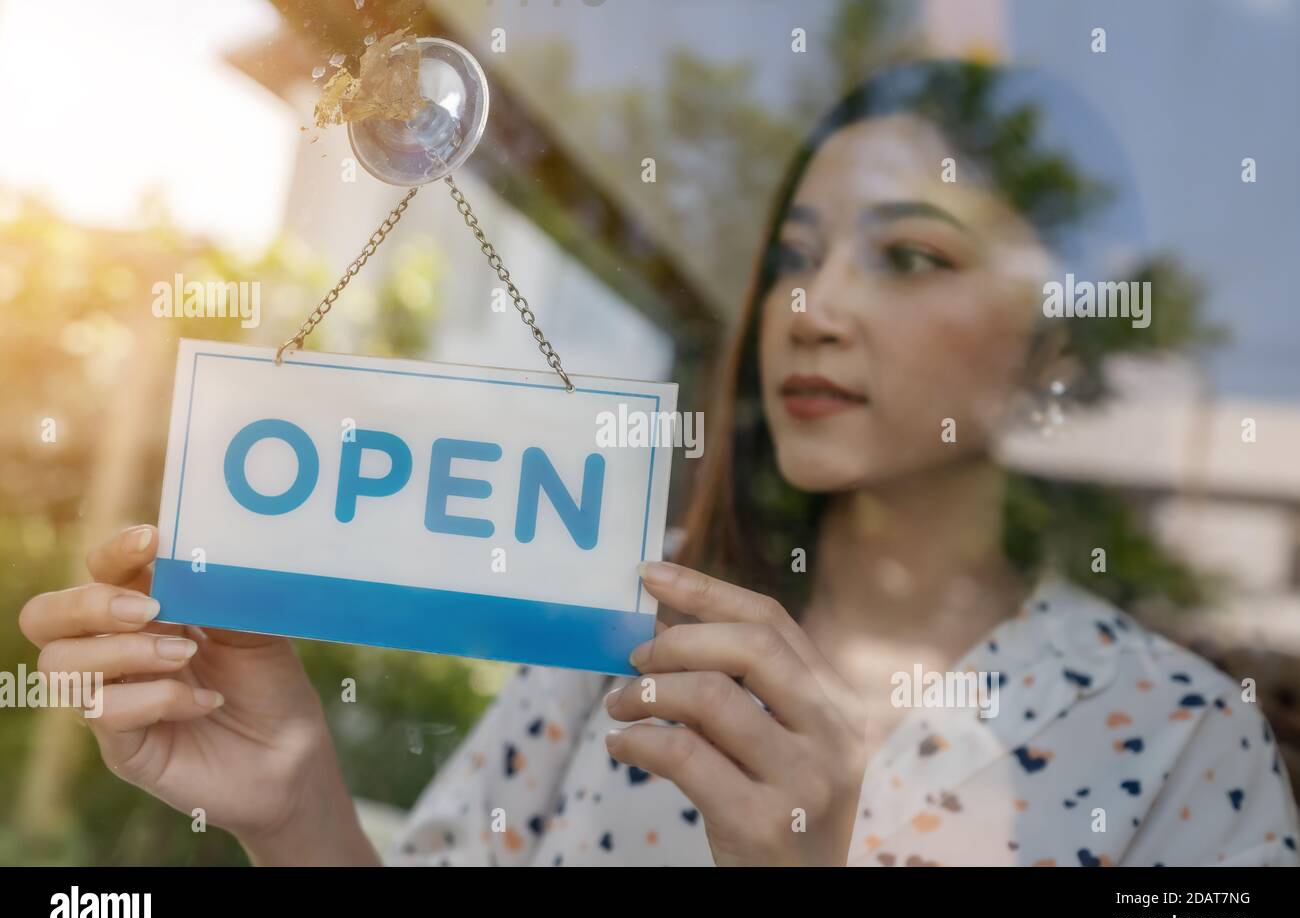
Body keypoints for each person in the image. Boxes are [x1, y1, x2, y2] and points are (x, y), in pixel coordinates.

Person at [18, 60, 1298, 866]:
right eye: (794, 252)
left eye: (909, 256)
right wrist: (293, 809)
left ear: (1051, 353)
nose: (811, 305)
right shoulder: (621, 612)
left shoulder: (1186, 739)